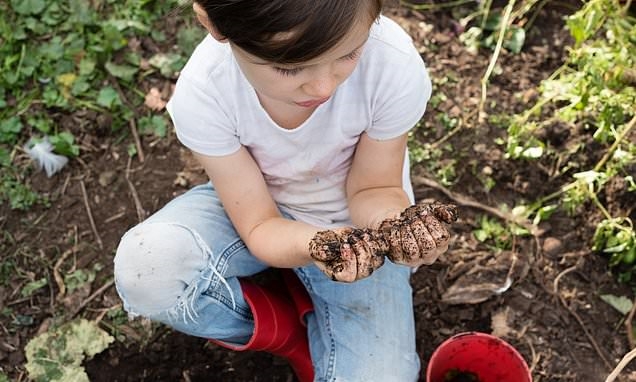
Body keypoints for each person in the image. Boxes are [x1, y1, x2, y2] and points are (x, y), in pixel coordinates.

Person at [113, 1, 455, 381]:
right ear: (212, 23)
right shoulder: (206, 92)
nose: (323, 86)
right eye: (289, 67)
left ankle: (314, 316)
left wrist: (395, 227)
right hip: (255, 208)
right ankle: (285, 334)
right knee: (149, 269)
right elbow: (258, 223)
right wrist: (315, 245)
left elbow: (375, 188)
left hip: (358, 235)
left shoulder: (389, 63)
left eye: (348, 54)